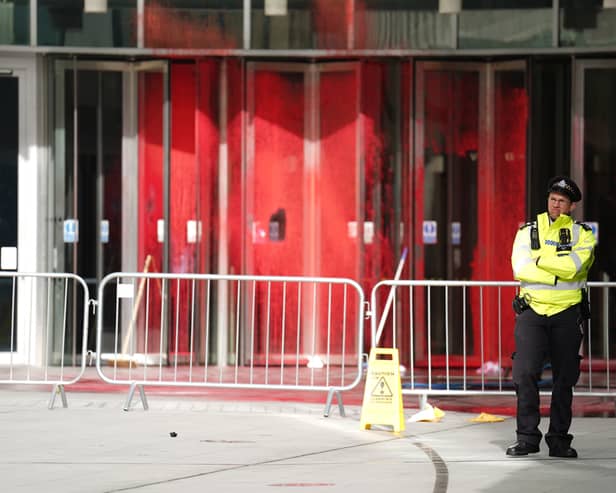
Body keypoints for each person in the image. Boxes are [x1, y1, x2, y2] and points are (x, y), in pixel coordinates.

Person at [507, 176, 596, 458]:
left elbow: (576, 267)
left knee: (564, 380)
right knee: (524, 375)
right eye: (552, 199)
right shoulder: (527, 230)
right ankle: (527, 438)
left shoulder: (584, 234)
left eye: (562, 201)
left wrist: (541, 259)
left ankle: (559, 440)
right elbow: (521, 269)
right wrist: (557, 264)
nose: (556, 204)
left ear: (571, 206)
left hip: (567, 314)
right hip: (532, 311)